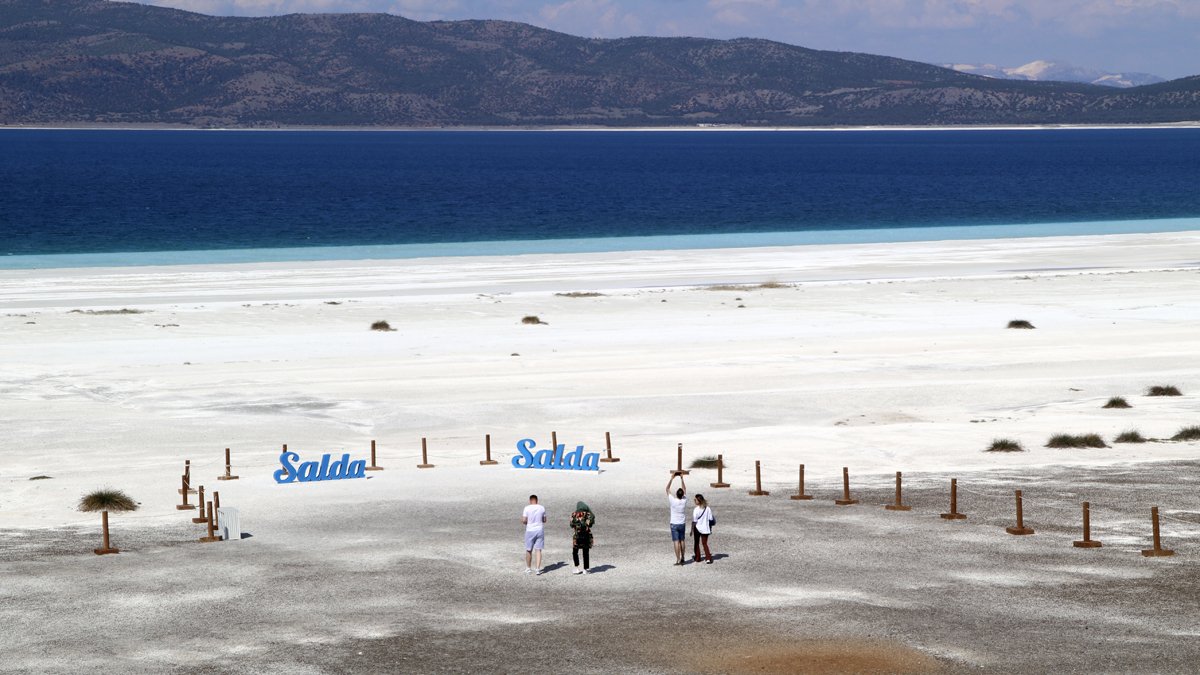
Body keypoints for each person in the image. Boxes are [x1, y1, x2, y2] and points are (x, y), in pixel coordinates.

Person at [522, 494, 547, 575]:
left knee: (529, 549)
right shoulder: (542, 507)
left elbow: (524, 520)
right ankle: (538, 569)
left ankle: (528, 568)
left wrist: (526, 522)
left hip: (530, 530)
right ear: (537, 500)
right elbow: (544, 520)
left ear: (530, 501)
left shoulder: (527, 508)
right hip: (539, 530)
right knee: (538, 549)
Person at [666, 473, 688, 565]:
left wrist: (671, 478)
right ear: (682, 495)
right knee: (682, 540)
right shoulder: (684, 500)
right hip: (682, 523)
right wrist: (682, 479)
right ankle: (683, 557)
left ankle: (678, 559)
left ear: (676, 494)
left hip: (674, 523)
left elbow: (667, 489)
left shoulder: (673, 500)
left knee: (676, 541)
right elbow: (685, 489)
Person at [570, 501, 595, 574]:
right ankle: (585, 569)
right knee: (586, 552)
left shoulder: (574, 514)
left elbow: (571, 525)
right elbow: (590, 524)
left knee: (575, 552)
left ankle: (577, 568)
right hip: (586, 535)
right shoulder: (588, 514)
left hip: (576, 536)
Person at [691, 493, 714, 565]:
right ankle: (708, 558)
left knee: (696, 543)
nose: (694, 501)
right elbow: (711, 519)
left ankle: (697, 558)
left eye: (695, 500)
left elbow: (694, 521)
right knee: (705, 544)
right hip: (705, 528)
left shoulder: (696, 509)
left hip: (697, 528)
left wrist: (691, 530)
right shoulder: (708, 508)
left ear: (699, 501)